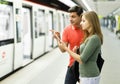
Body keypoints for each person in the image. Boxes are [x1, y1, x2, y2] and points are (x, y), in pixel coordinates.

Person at [58, 11, 103, 84]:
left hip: (90, 76)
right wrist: (76, 52)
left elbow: (82, 59)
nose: (81, 23)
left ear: (91, 22)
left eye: (83, 21)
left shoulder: (94, 38)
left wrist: (66, 48)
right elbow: (85, 56)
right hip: (85, 75)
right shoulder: (89, 37)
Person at [50, 6, 84, 84]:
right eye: (69, 16)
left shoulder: (86, 29)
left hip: (85, 66)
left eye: (73, 17)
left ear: (81, 16)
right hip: (72, 65)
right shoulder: (67, 30)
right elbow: (62, 50)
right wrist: (58, 39)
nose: (70, 19)